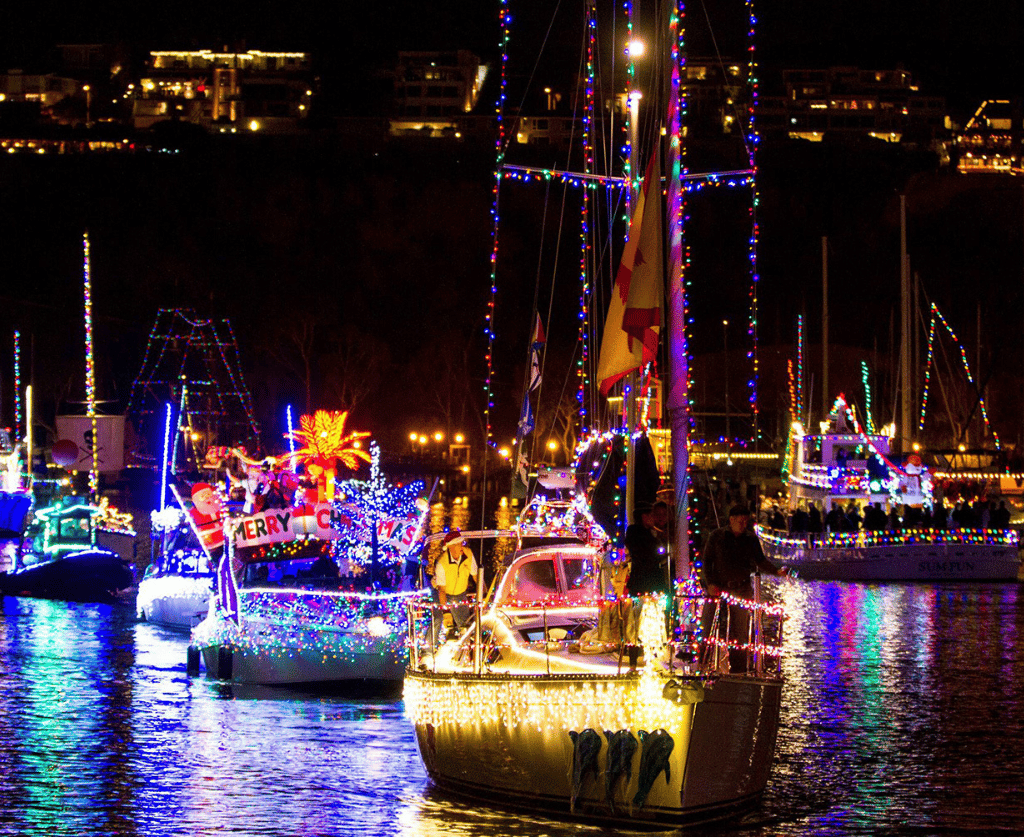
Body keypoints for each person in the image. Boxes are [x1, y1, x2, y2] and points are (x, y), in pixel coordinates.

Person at [700, 504, 790, 672]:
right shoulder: (717, 536)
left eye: (745, 522)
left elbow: (760, 560)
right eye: (740, 521)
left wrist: (776, 571)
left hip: (741, 589)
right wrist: (710, 583)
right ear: (731, 520)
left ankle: (738, 669)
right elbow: (707, 562)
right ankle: (702, 661)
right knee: (708, 624)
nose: (743, 525)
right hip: (718, 588)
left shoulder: (750, 539)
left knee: (740, 631)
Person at [432, 529, 479, 631]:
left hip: (460, 593)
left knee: (465, 625)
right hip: (442, 592)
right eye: (459, 544)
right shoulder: (442, 562)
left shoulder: (468, 554)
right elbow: (442, 590)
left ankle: (464, 639)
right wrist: (446, 611)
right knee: (438, 620)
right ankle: (431, 640)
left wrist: (484, 594)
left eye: (462, 543)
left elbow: (476, 577)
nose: (462, 545)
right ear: (451, 546)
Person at [625, 505, 669, 596]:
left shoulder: (650, 532)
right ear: (644, 517)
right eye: (652, 515)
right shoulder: (635, 532)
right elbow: (646, 553)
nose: (654, 519)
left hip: (653, 579)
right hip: (642, 579)